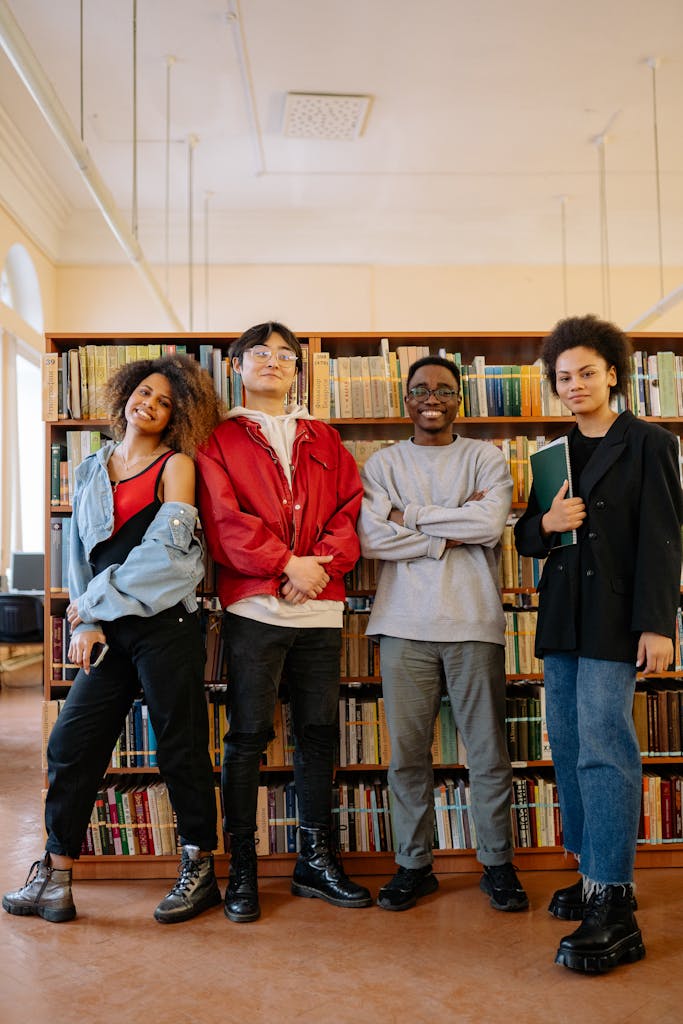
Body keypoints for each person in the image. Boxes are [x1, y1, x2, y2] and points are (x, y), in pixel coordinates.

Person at [3, 354, 224, 925]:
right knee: (70, 745)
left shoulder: (176, 466)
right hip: (108, 631)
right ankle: (56, 876)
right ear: (125, 394)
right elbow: (79, 556)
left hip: (166, 625)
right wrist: (85, 622)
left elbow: (174, 561)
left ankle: (200, 870)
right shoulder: (89, 469)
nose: (148, 404)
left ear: (178, 416)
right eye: (143, 392)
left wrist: (95, 603)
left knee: (180, 746)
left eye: (164, 401)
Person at [514, 314, 683, 973]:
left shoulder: (646, 442)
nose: (574, 384)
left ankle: (611, 898)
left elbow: (663, 538)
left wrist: (658, 624)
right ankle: (591, 876)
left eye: (586, 372)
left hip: (616, 623)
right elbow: (531, 538)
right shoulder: (550, 454)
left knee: (603, 749)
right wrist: (546, 522)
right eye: (563, 376)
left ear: (612, 373)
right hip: (561, 622)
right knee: (569, 748)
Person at [195, 321, 372, 922]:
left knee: (319, 732)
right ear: (237, 365)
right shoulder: (215, 439)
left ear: (298, 369)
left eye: (285, 356)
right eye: (259, 354)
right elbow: (222, 519)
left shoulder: (324, 436)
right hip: (253, 608)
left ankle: (314, 860)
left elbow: (351, 511)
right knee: (247, 736)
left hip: (321, 608)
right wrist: (285, 567)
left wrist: (317, 570)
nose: (273, 362)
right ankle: (241, 868)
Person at [358, 355, 529, 913]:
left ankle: (497, 865)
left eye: (444, 389)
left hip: (473, 624)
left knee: (488, 754)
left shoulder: (485, 457)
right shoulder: (382, 464)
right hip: (402, 626)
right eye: (420, 389)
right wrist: (443, 531)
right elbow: (370, 541)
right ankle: (414, 867)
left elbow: (487, 524)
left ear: (460, 399)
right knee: (408, 757)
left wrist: (409, 516)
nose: (431, 397)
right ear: (405, 400)